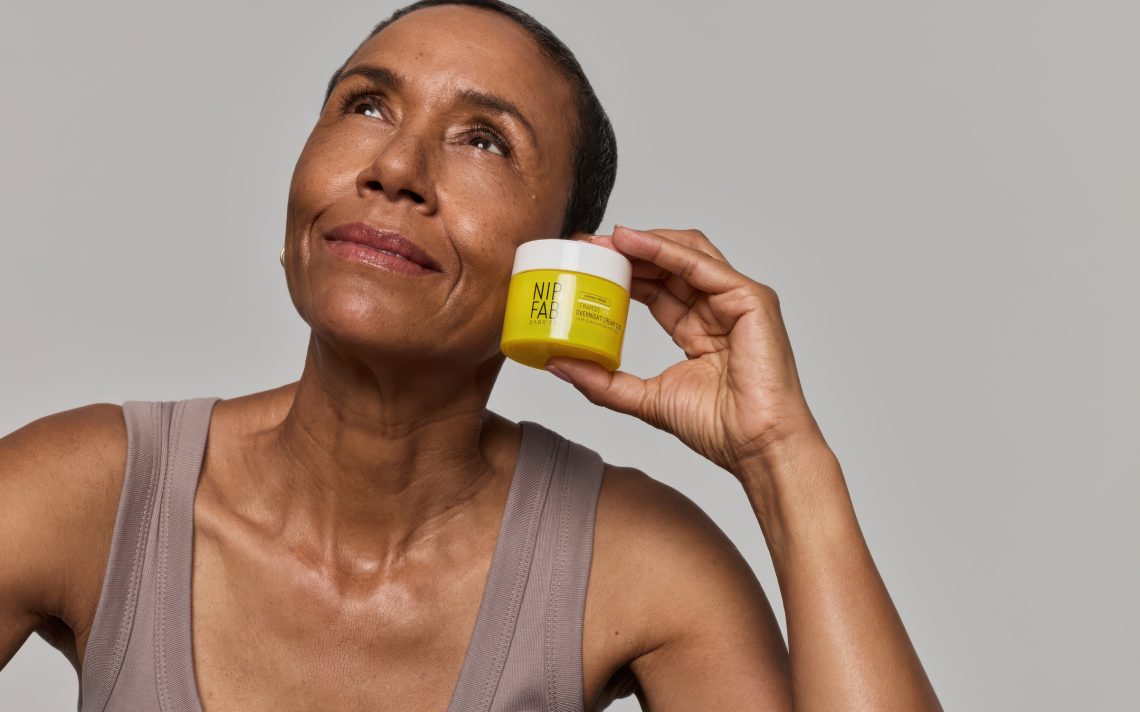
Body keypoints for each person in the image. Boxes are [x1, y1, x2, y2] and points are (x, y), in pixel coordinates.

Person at [0, 1, 943, 709]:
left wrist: (784, 460)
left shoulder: (642, 564)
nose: (395, 169)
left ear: (561, 261)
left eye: (484, 140)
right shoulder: (87, 489)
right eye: (367, 106)